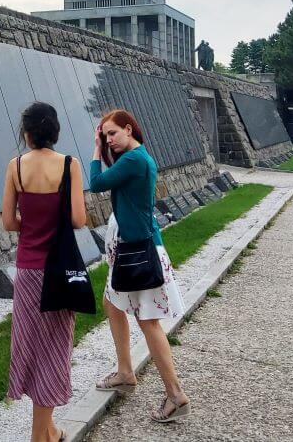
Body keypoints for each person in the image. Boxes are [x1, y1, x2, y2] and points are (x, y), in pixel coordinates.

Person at [89, 109, 190, 423]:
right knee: (112, 304)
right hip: (134, 249)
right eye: (105, 136)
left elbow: (96, 183)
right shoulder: (136, 158)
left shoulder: (133, 160)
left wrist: (95, 149)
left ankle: (176, 397)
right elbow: (113, 180)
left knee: (149, 323)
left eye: (112, 134)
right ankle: (125, 371)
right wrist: (106, 146)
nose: (109, 140)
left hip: (138, 252)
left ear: (129, 129)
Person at [3, 102, 87, 442]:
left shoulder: (15, 167)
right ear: (55, 131)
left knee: (30, 346)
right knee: (54, 349)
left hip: (27, 271)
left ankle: (48, 431)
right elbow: (78, 219)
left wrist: (32, 224)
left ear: (26, 132)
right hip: (58, 271)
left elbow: (9, 222)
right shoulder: (70, 165)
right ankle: (41, 436)